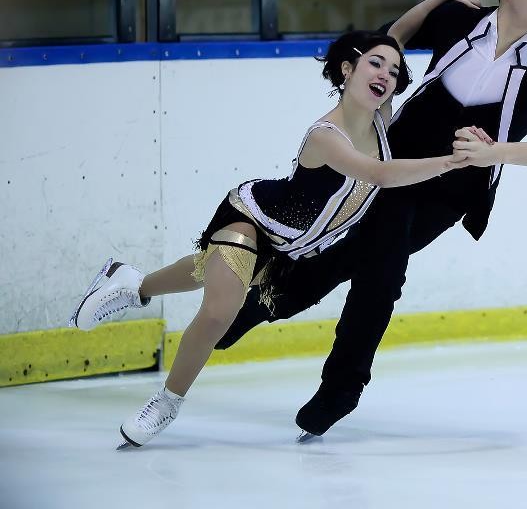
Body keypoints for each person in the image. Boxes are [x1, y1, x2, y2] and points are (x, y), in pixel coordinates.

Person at [216, 0, 527, 441]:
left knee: (375, 265)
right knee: (364, 261)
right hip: (395, 159)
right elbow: (388, 40)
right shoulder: (460, 22)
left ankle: (284, 331)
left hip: (452, 189)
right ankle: (326, 374)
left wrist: (498, 152)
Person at [68, 29, 480, 448]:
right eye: (374, 63)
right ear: (347, 68)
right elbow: (378, 175)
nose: (386, 74)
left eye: (394, 70)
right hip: (257, 219)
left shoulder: (380, 118)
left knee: (204, 270)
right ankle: (167, 402)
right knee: (218, 312)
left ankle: (132, 283)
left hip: (291, 251)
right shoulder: (327, 135)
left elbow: (394, 36)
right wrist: (452, 162)